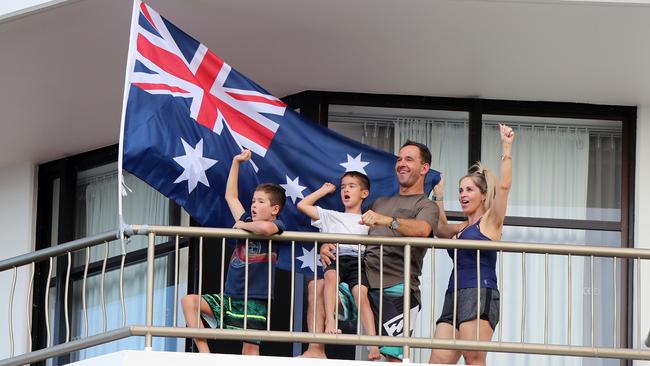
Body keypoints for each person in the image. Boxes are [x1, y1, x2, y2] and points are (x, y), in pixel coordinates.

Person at [321, 140, 439, 362]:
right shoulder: (380, 201)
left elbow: (423, 230)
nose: (401, 164)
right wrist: (326, 244)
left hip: (396, 289)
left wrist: (387, 221)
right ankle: (315, 352)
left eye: (409, 159)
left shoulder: (426, 205)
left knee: (391, 357)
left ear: (425, 169)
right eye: (399, 159)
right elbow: (350, 227)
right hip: (362, 280)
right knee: (316, 288)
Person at [181, 149, 286, 355]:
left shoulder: (277, 225)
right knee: (189, 301)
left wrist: (241, 226)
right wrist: (236, 162)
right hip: (230, 295)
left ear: (274, 209)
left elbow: (265, 229)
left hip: (255, 298)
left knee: (249, 349)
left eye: (261, 202)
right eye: (253, 201)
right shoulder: (247, 221)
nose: (254, 205)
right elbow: (231, 196)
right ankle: (205, 355)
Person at [428, 123, 514, 366]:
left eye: (469, 189)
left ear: (484, 195)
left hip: (479, 291)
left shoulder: (490, 222)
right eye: (460, 190)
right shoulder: (462, 228)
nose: (463, 194)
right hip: (453, 294)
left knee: (473, 359)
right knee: (438, 360)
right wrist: (439, 196)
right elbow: (441, 229)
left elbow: (505, 187)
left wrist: (506, 146)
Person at [297, 172, 381, 361]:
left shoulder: (369, 220)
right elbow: (302, 205)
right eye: (343, 187)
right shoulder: (331, 216)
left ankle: (373, 345)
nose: (345, 190)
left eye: (351, 186)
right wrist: (324, 190)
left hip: (357, 260)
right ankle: (330, 321)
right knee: (330, 278)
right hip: (336, 257)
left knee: (361, 293)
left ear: (364, 193)